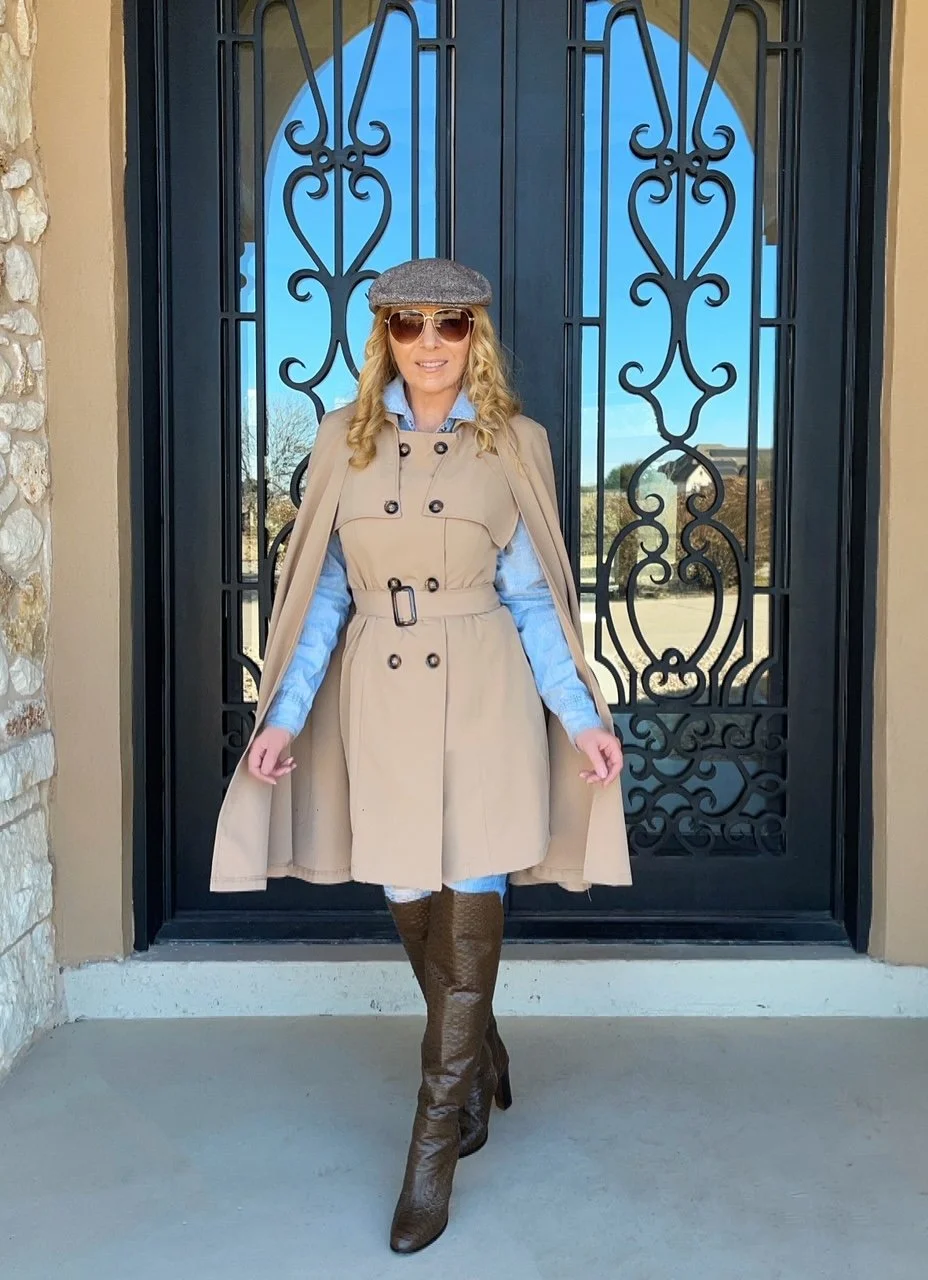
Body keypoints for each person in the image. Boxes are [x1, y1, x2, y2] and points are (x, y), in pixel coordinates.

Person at [209, 257, 632, 1254]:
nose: (429, 344)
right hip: (382, 692)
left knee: (474, 886)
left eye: (450, 325)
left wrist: (580, 715)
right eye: (409, 325)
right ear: (386, 337)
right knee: (408, 887)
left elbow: (535, 599)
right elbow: (319, 595)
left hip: (484, 687)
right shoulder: (344, 440)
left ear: (474, 336)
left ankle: (432, 1148)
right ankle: (480, 1051)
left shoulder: (514, 442)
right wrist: (281, 716)